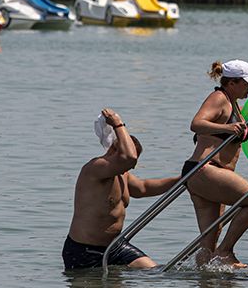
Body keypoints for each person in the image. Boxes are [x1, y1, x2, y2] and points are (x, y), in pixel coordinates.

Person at [63, 108, 179, 271]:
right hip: (85, 250)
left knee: (157, 273)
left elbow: (143, 188)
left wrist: (183, 179)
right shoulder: (95, 168)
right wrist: (118, 123)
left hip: (115, 247)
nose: (132, 164)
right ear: (113, 151)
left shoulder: (122, 173)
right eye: (131, 159)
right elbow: (128, 158)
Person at [183, 59, 248, 268]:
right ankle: (226, 251)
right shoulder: (218, 98)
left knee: (209, 240)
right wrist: (230, 129)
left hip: (206, 173)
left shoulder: (233, 102)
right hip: (205, 169)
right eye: (246, 84)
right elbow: (196, 123)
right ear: (232, 82)